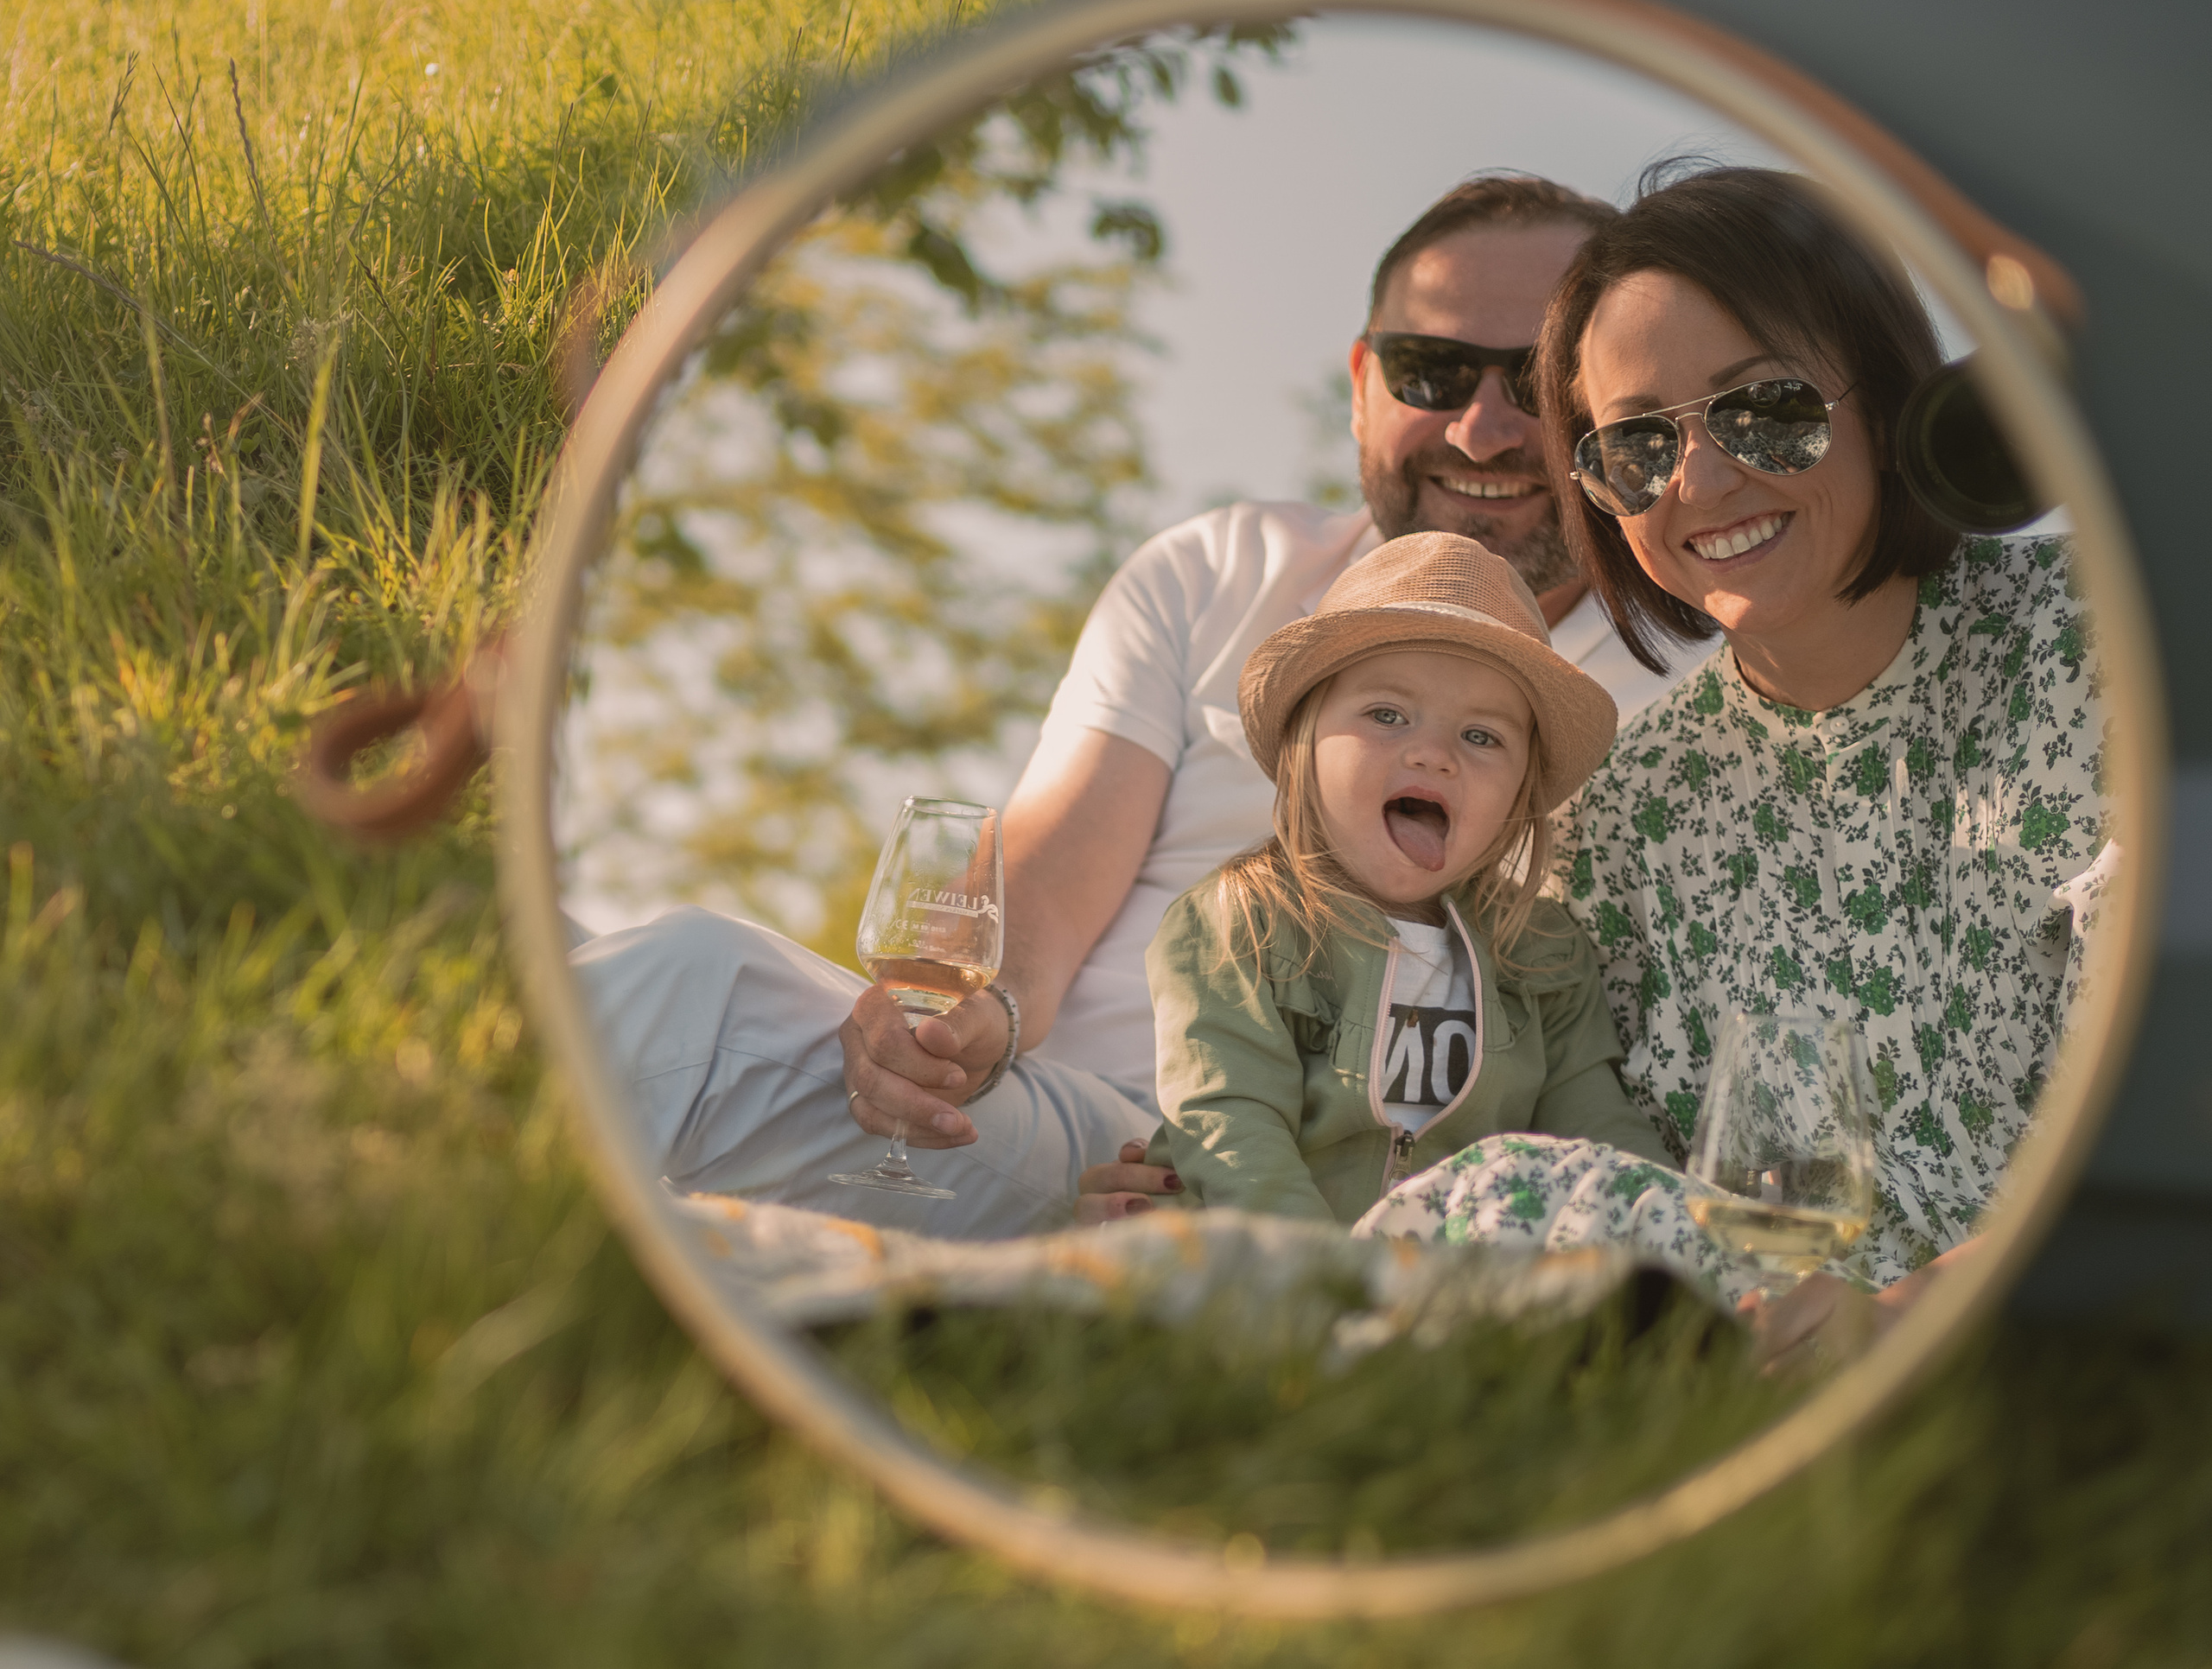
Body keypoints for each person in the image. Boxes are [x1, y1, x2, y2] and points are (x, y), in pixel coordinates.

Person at [572, 174, 1704, 1237]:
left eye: (1537, 385)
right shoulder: (1218, 570)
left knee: (677, 995)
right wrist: (975, 1024)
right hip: (1065, 1117)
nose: (1481, 429)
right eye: (1429, 371)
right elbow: (1055, 858)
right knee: (647, 974)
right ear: (1362, 384)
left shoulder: (1687, 685)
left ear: (1612, 411)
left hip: (1345, 1183)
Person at [1350, 166, 2110, 1360]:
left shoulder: (2111, 648)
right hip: (1755, 1370)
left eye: (1766, 409)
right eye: (1635, 448)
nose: (1700, 483)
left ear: (1891, 394)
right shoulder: (1623, 815)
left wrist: (1913, 1316)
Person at [1141, 531, 1673, 1226]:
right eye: (1386, 715)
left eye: (1482, 736)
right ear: (1306, 742)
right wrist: (1335, 1290)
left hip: (1464, 1293)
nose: (1432, 754)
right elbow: (1231, 1129)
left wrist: (1675, 1231)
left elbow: (1598, 1137)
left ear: (1520, 794)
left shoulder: (1543, 953)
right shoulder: (1239, 922)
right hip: (1271, 1280)